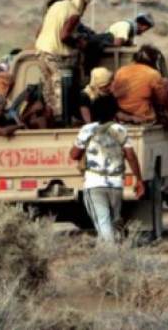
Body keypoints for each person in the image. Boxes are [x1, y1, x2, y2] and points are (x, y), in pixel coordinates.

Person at [70, 102, 143, 243]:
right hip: (116, 184)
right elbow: (131, 156)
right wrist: (139, 179)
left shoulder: (87, 130)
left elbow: (73, 155)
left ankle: (110, 252)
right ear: (114, 113)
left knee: (103, 223)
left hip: (94, 184)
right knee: (115, 221)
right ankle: (119, 249)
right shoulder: (120, 130)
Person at [35, 0, 92, 122]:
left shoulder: (56, 5)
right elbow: (64, 36)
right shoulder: (74, 12)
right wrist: (78, 43)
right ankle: (61, 123)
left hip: (41, 52)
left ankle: (50, 121)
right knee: (61, 91)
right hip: (55, 55)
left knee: (49, 93)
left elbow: (39, 32)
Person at [112, 45, 168, 136]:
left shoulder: (121, 71)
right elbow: (162, 100)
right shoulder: (153, 74)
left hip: (122, 116)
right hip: (144, 117)